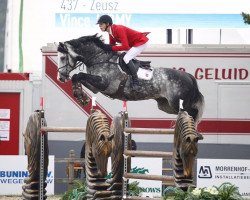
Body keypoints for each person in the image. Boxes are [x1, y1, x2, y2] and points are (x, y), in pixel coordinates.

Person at [96, 14, 149, 90]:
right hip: (133, 44)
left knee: (126, 58)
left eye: (101, 24)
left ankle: (136, 82)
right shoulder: (110, 32)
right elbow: (112, 45)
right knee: (122, 56)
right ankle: (141, 65)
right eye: (99, 25)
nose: (100, 26)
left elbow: (125, 47)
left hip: (141, 42)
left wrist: (110, 48)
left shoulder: (118, 29)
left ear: (107, 24)